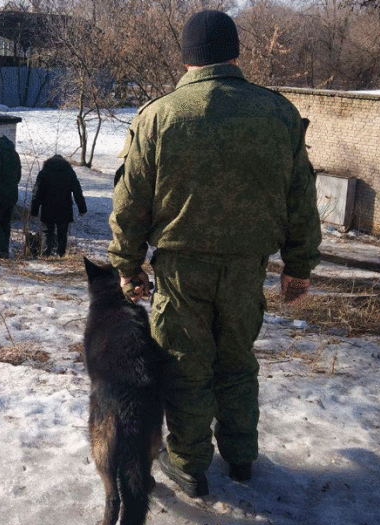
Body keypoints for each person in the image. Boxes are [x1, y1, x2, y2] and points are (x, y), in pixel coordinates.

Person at [108, 10, 321, 497]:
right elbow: (301, 198)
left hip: (183, 271)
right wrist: (299, 268)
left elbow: (130, 201)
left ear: (186, 58)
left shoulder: (159, 116)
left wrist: (127, 265)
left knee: (185, 365)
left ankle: (189, 464)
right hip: (249, 268)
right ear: (235, 53)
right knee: (237, 361)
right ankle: (242, 456)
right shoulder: (278, 113)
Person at [30, 155, 87, 257]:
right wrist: (82, 208)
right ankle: (61, 254)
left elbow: (37, 193)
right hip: (65, 208)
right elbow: (77, 191)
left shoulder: (44, 173)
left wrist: (34, 210)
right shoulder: (69, 173)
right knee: (62, 233)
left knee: (47, 232)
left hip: (48, 207)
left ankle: (45, 255)